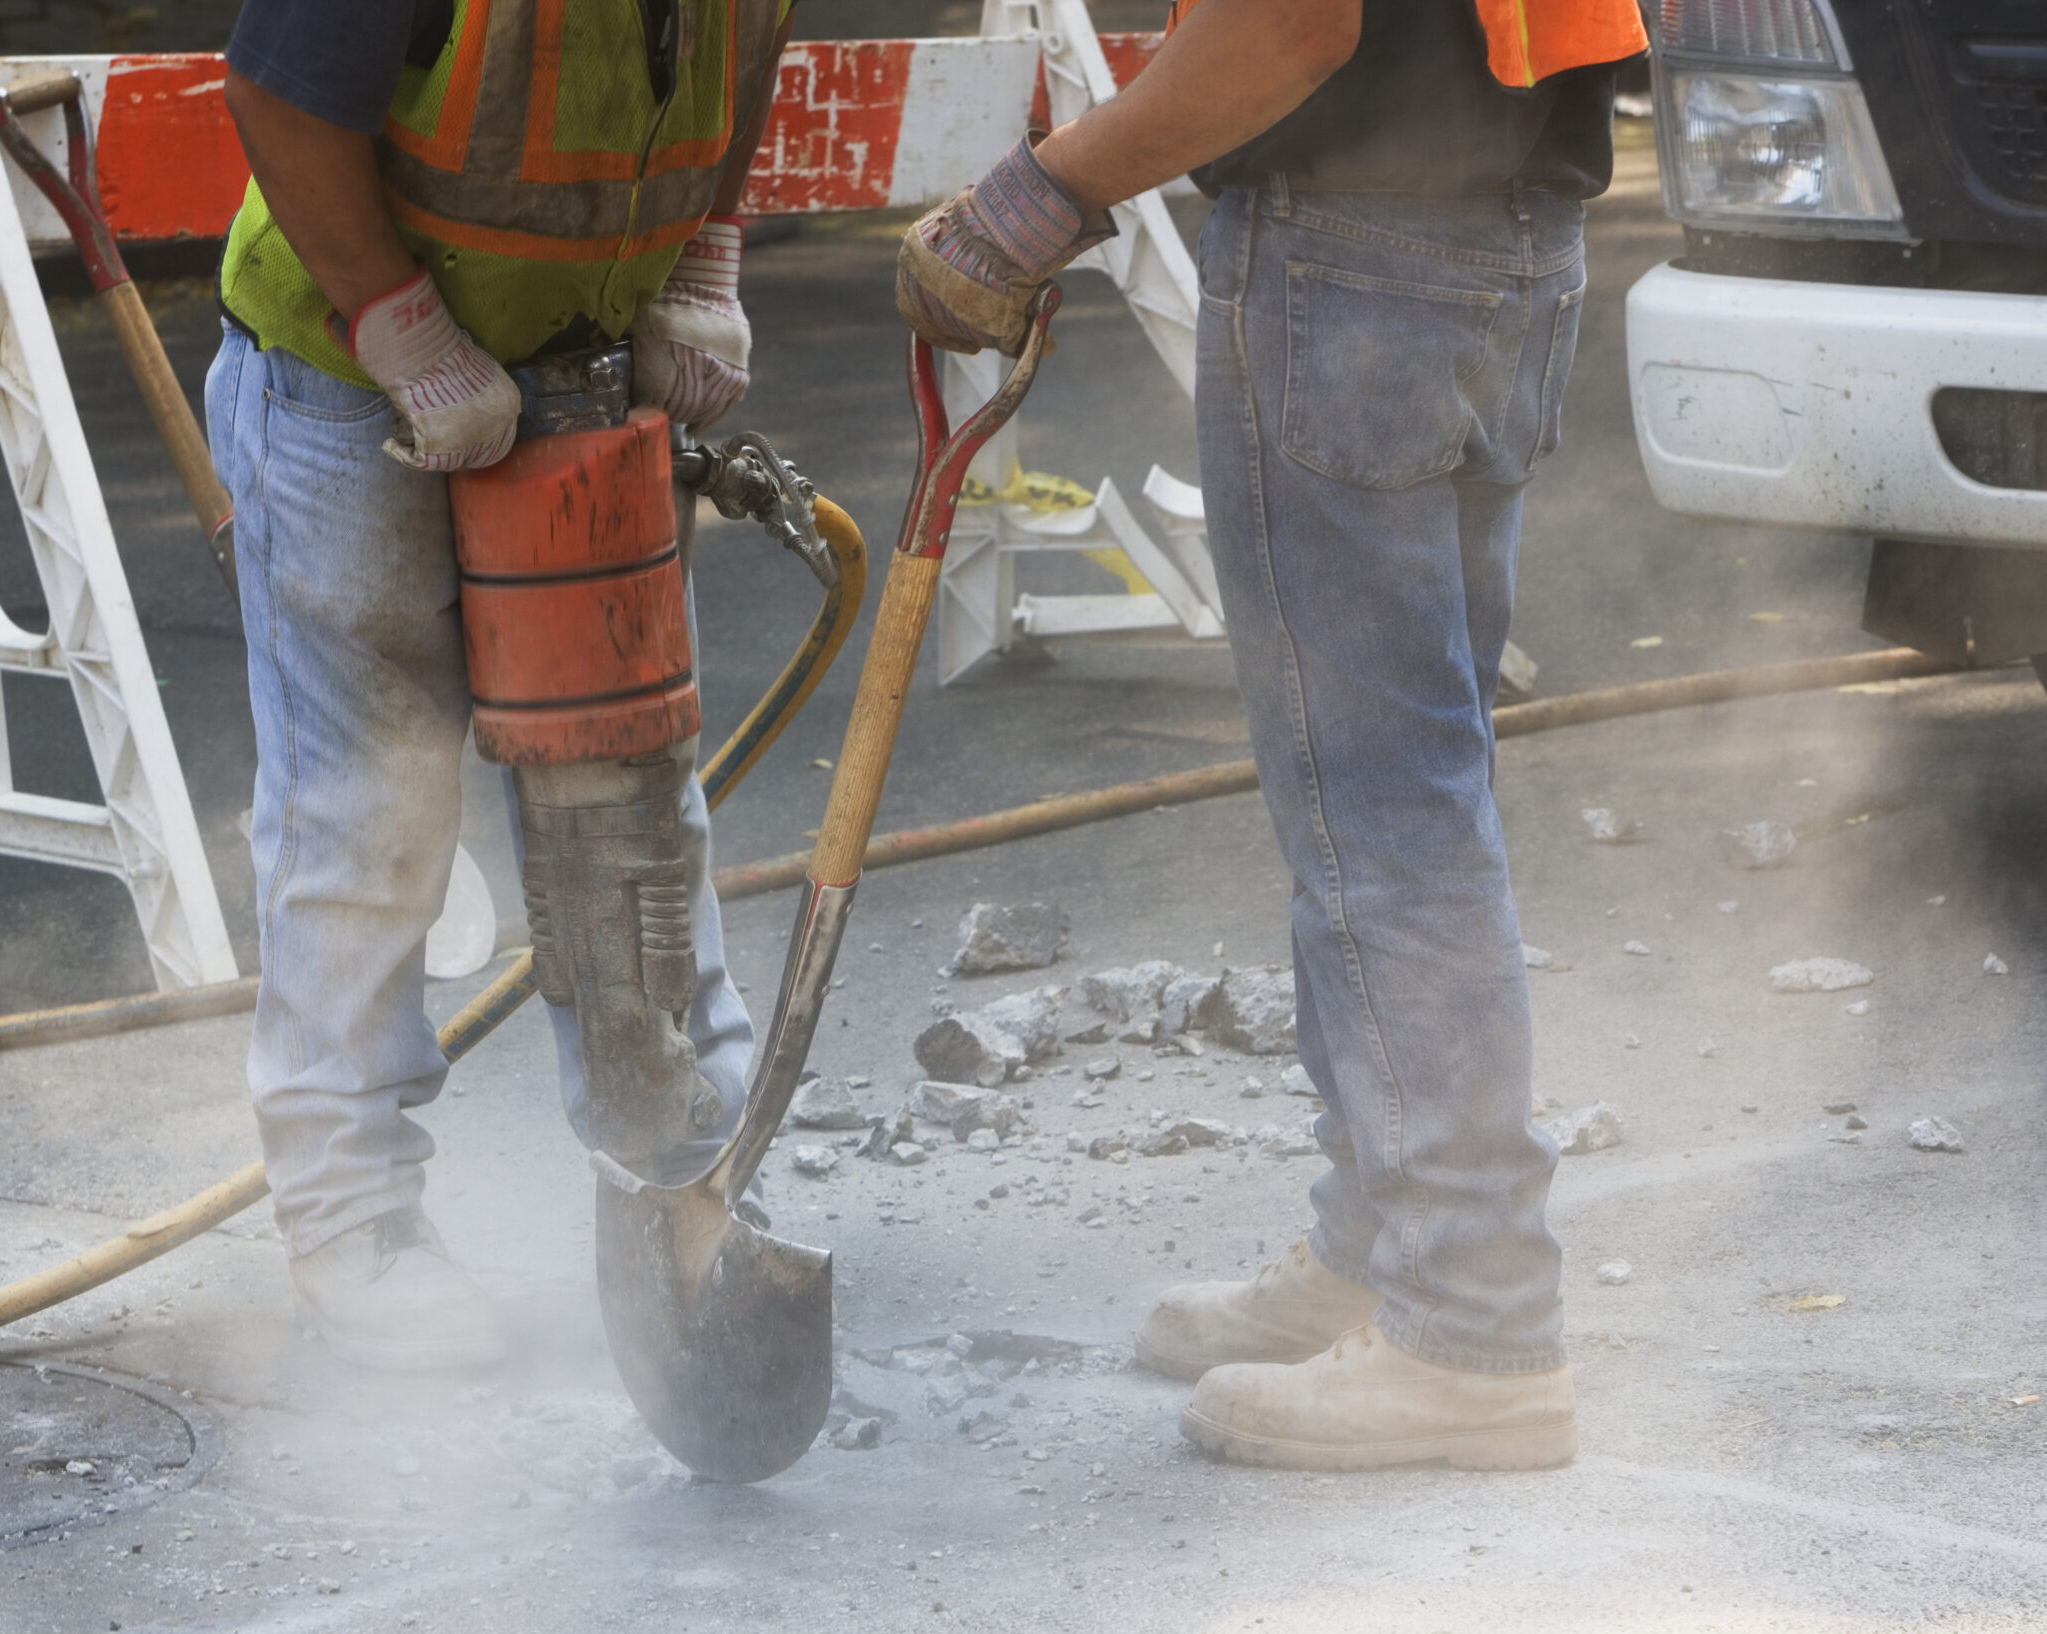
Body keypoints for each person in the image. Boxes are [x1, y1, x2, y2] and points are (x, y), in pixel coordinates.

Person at [897, 0, 1645, 1469]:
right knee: (1411, 777)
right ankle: (1382, 1242)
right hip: (1505, 240)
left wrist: (1036, 198)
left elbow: (1290, 27)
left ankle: (1470, 1326)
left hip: (1351, 266)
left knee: (1381, 805)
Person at [210, 0, 792, 1371]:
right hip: (349, 385)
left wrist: (704, 249)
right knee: (371, 816)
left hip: (574, 369)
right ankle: (355, 1225)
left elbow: (746, 45)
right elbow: (281, 97)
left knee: (631, 802)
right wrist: (402, 330)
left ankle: (686, 1182)